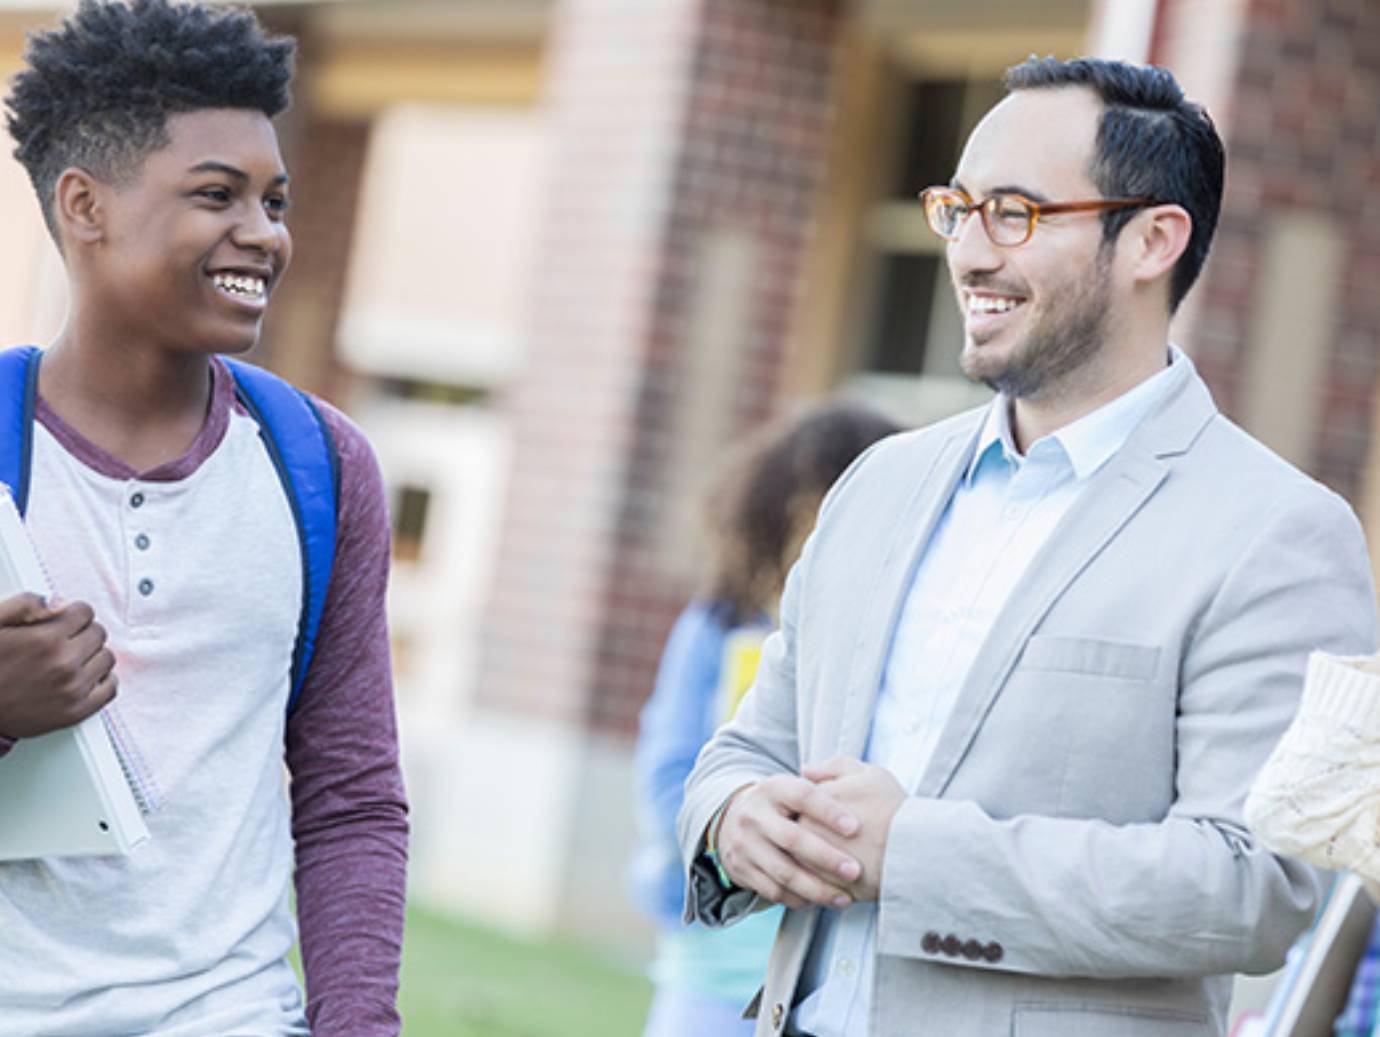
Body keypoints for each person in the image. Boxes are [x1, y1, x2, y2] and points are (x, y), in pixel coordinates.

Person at [678, 55, 1378, 1037]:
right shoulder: (881, 483)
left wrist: (913, 852)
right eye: (957, 209)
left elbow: (1252, 884)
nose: (968, 251)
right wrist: (730, 813)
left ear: (1151, 239)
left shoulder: (1277, 533)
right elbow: (749, 746)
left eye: (1013, 212)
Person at [0, 2, 407, 1035]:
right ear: (84, 205)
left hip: (230, 1011)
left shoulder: (320, 464)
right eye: (216, 196)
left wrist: (357, 1024)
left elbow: (350, 795)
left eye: (275, 200)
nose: (265, 234)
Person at [631, 402, 902, 1037]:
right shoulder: (717, 627)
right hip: (714, 973)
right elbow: (670, 781)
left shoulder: (906, 645)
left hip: (848, 972)